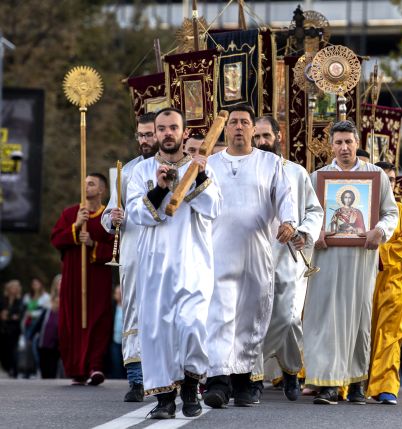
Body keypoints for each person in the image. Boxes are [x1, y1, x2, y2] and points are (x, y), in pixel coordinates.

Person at [127, 107, 221, 419]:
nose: (167, 133)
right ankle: (165, 398)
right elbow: (137, 215)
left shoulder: (199, 168)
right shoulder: (141, 172)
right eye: (161, 128)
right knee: (157, 331)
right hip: (155, 266)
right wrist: (160, 188)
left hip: (193, 262)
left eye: (173, 128)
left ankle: (191, 385)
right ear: (155, 134)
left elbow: (214, 208)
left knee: (192, 325)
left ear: (183, 132)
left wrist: (199, 176)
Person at [204, 105, 296, 408]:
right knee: (219, 316)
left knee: (251, 316)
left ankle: (243, 381)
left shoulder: (271, 163)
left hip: (257, 249)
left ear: (253, 129)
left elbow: (286, 197)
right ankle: (217, 382)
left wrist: (288, 221)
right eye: (234, 122)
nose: (240, 127)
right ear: (225, 128)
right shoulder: (210, 164)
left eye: (245, 122)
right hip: (218, 249)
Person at [304, 120, 398, 405]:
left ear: (358, 143)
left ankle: (357, 381)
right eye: (339, 142)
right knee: (326, 318)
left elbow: (390, 213)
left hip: (361, 258)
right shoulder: (317, 178)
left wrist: (379, 230)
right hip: (327, 258)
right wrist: (314, 232)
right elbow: (306, 214)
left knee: (358, 318)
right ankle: (329, 384)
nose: (344, 148)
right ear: (330, 145)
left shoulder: (376, 176)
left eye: (349, 142)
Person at [249, 115, 323, 402]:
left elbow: (314, 211)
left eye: (266, 136)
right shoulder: (247, 170)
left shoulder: (296, 172)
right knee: (253, 318)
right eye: (257, 137)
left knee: (289, 318)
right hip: (253, 254)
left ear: (279, 137)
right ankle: (252, 376)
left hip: (289, 254)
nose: (262, 142)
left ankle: (291, 371)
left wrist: (304, 231)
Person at [101, 112, 158, 402]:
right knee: (134, 312)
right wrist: (114, 217)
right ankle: (136, 379)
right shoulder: (128, 171)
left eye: (150, 134)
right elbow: (107, 216)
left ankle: (170, 378)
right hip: (134, 250)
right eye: (141, 135)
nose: (146, 140)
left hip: (164, 251)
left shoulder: (172, 168)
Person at [51, 173, 114, 386]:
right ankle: (76, 368)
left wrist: (94, 246)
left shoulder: (108, 216)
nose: (86, 186)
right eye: (85, 183)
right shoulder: (71, 213)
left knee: (98, 319)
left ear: (102, 190)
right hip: (73, 278)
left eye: (92, 183)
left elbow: (118, 248)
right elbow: (57, 240)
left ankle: (95, 366)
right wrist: (76, 226)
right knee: (72, 320)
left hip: (98, 278)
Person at [367, 160, 402, 405]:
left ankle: (385, 386)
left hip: (392, 285)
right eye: (383, 179)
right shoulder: (362, 210)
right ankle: (352, 383)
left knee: (389, 335)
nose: (388, 183)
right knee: (359, 333)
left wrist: (375, 254)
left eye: (391, 179)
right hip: (363, 284)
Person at [28, 279, 61, 379]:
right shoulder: (48, 302)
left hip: (57, 341)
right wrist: (31, 334)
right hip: (44, 340)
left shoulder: (67, 302)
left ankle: (51, 379)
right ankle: (44, 379)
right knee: (43, 363)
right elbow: (40, 322)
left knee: (53, 365)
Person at [0, 280, 24, 377]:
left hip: (14, 330)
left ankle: (14, 370)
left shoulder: (20, 300)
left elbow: (19, 315)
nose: (13, 289)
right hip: (3, 329)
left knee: (13, 350)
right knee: (3, 351)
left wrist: (8, 315)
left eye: (15, 287)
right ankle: (7, 367)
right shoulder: (3, 299)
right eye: (12, 287)